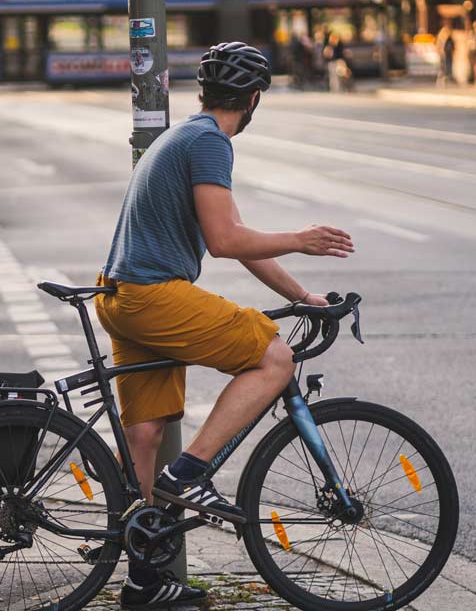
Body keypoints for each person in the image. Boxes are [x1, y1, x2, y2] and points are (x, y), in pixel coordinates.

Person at [94, 42, 355, 609]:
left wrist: (301, 294)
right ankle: (189, 475)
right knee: (274, 356)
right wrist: (303, 239)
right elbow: (225, 240)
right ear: (254, 99)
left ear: (204, 91)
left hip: (120, 293)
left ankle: (141, 581)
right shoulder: (210, 142)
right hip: (152, 295)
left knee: (146, 433)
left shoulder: (184, 135)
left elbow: (234, 237)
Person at [436, 22, 455, 88]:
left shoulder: (449, 38)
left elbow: (453, 46)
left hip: (448, 55)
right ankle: (441, 81)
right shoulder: (441, 38)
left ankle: (444, 81)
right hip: (443, 55)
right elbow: (438, 47)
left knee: (447, 68)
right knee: (443, 68)